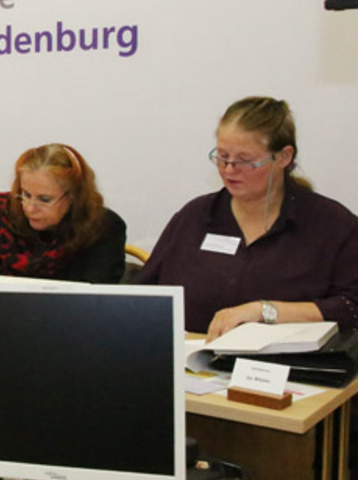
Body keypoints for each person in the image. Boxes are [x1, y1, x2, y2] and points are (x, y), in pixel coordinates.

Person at [137, 97, 358, 338]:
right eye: (222, 157)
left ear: (283, 157)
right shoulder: (195, 216)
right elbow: (143, 295)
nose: (229, 170)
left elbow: (350, 308)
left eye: (244, 160)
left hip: (287, 370)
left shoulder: (330, 224)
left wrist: (265, 311)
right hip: (194, 365)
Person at [0, 143, 126, 284]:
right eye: (25, 194)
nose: (30, 208)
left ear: (73, 196)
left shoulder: (102, 227)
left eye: (44, 199)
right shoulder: (5, 215)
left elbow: (95, 300)